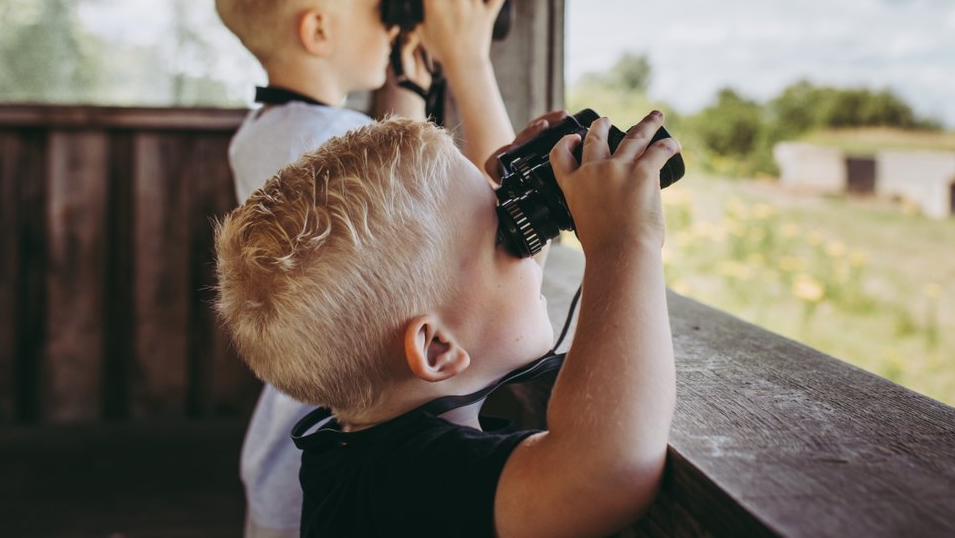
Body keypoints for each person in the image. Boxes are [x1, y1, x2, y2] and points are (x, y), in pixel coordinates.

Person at [207, 0, 518, 536]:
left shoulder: (268, 133)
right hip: (329, 476)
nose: (390, 17)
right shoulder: (320, 137)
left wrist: (405, 77)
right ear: (319, 30)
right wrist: (468, 61)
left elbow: (373, 167)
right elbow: (498, 213)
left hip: (284, 453)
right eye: (381, 2)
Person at [214, 110, 679, 536]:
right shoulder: (408, 482)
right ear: (436, 349)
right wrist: (623, 242)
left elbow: (470, 279)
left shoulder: (357, 459)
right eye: (504, 237)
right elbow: (604, 473)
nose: (526, 249)